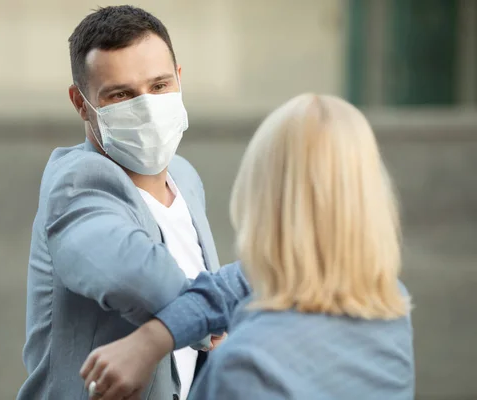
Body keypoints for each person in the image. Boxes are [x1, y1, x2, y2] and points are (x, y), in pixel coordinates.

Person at [80, 94, 416, 399]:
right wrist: (153, 338)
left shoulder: (247, 367)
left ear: (262, 200)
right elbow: (237, 283)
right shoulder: (390, 308)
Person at [16, 5, 234, 400]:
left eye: (160, 86)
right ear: (81, 103)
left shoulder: (183, 176)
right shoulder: (78, 182)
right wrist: (218, 320)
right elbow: (136, 277)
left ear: (180, 79)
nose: (147, 106)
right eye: (121, 95)